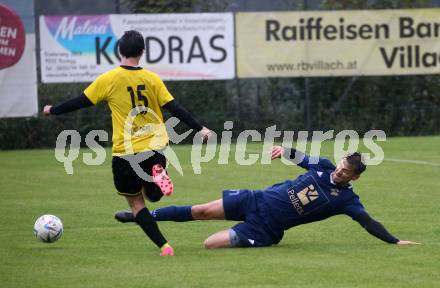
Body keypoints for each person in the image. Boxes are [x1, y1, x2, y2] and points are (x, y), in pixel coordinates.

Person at [43, 30, 211, 256]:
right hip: (156, 147)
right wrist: (200, 128)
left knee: (136, 205)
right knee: (153, 194)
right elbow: (175, 108)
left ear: (119, 50)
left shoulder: (110, 79)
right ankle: (157, 175)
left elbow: (80, 102)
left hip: (126, 152)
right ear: (142, 52)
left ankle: (165, 246)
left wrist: (53, 109)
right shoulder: (152, 79)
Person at [115, 146, 420, 248]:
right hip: (255, 199)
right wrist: (282, 151)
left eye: (346, 173)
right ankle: (141, 216)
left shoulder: (347, 200)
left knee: (209, 244)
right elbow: (301, 157)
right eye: (341, 167)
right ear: (340, 163)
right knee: (202, 210)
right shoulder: (324, 166)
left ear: (355, 178)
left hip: (266, 229)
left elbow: (367, 222)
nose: (340, 173)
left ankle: (142, 215)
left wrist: (394, 241)